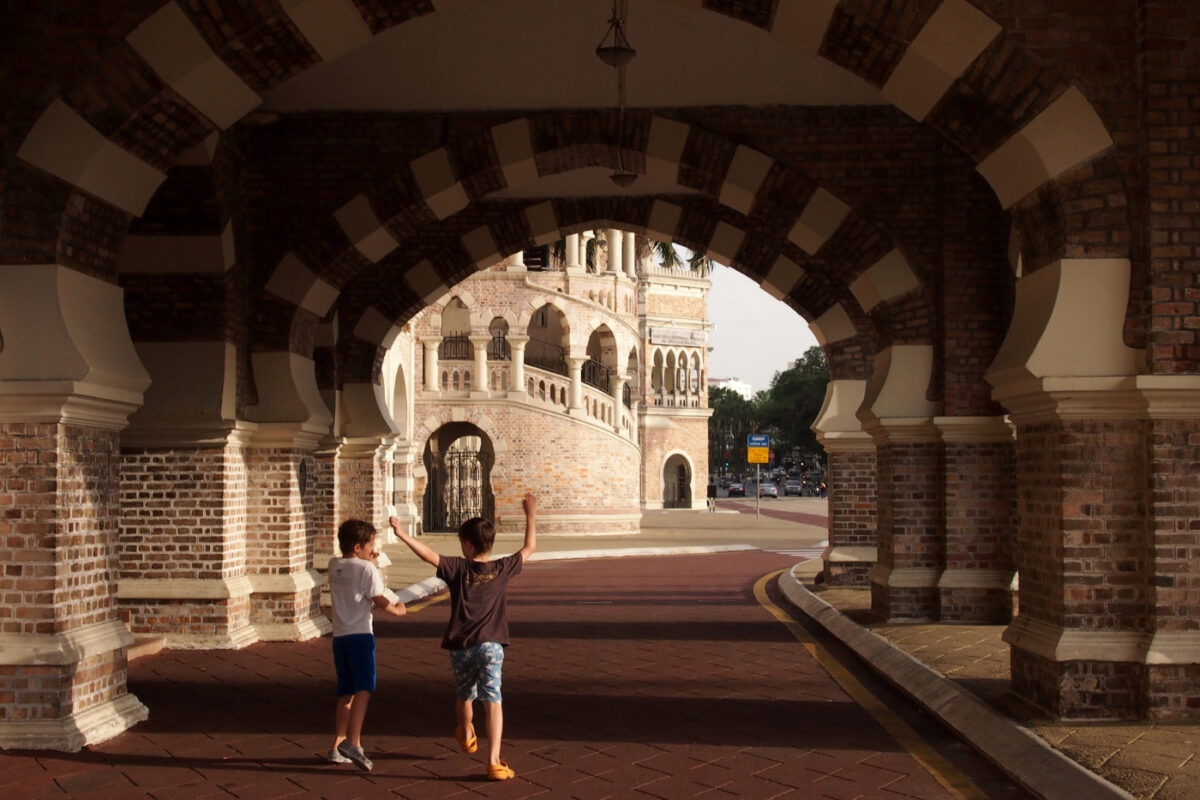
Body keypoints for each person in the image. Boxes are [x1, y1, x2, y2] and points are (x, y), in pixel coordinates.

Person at [389, 493, 537, 781]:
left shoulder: (457, 568)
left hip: (461, 646)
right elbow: (529, 547)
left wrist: (402, 533)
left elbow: (427, 554)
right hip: (492, 645)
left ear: (467, 544)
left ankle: (467, 731)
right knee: (493, 699)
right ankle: (494, 760)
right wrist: (530, 514)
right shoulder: (501, 568)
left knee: (464, 693)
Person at [327, 519, 406, 771]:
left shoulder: (334, 564)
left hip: (339, 636)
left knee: (346, 691)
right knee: (364, 688)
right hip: (360, 635)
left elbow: (354, 576)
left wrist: (368, 562)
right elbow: (378, 596)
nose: (374, 549)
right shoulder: (367, 570)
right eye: (371, 545)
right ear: (359, 546)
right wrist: (396, 610)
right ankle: (354, 742)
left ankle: (336, 745)